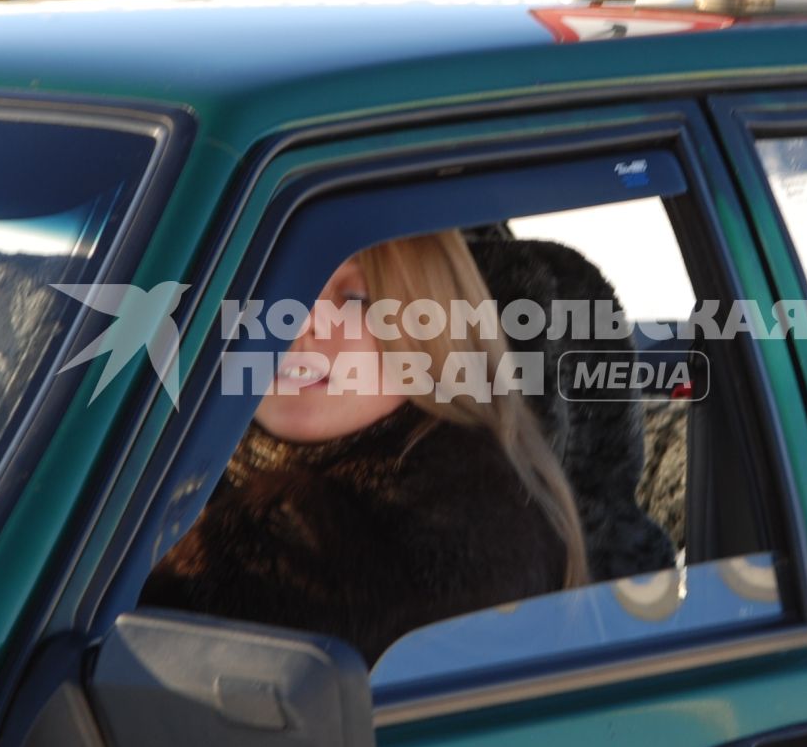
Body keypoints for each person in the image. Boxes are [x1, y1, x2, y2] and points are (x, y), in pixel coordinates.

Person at [142, 230, 588, 663]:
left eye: (355, 299)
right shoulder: (145, 471)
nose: (300, 320)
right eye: (276, 283)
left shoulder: (470, 543)